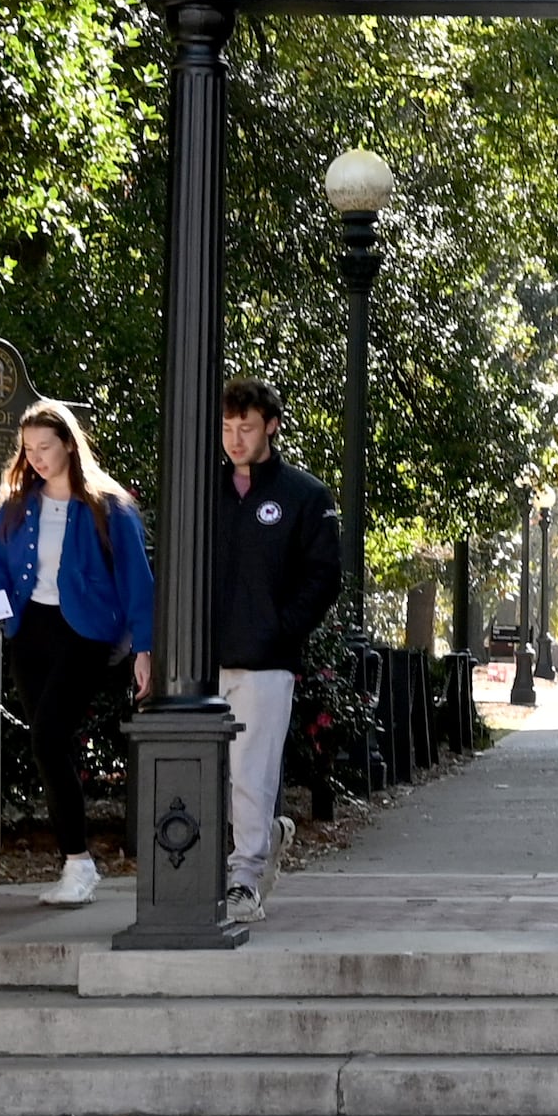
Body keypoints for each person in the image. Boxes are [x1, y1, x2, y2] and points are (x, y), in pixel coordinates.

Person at [0, 402, 154, 908]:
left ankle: (78, 864)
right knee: (46, 745)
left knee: (51, 736)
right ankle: (76, 862)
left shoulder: (110, 506)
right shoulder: (14, 507)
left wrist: (145, 648)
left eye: (45, 447)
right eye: (28, 449)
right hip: (30, 629)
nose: (35, 458)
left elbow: (138, 581)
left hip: (87, 633)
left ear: (69, 444)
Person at [208, 375, 341, 929]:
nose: (235, 439)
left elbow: (323, 578)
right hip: (202, 659)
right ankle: (258, 844)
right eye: (227, 428)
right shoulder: (202, 490)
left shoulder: (304, 496)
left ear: (271, 427)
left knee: (251, 773)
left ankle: (243, 880)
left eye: (246, 428)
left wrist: (281, 631)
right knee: (208, 773)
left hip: (266, 660)